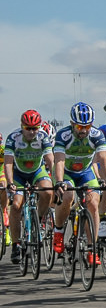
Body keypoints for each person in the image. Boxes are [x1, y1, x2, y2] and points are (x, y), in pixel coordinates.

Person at [52, 102, 106, 261]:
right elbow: (59, 161)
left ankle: (93, 248)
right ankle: (58, 232)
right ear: (72, 124)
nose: (84, 130)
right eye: (79, 127)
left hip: (86, 172)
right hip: (67, 172)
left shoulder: (97, 135)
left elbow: (103, 158)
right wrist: (59, 182)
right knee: (67, 197)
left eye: (87, 126)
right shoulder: (63, 135)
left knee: (93, 203)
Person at [4, 110, 56, 265]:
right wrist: (10, 183)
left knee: (47, 191)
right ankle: (16, 244)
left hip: (36, 171)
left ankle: (38, 221)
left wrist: (56, 182)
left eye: (35, 128)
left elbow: (50, 160)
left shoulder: (43, 137)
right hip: (19, 173)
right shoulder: (13, 138)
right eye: (28, 128)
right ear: (22, 127)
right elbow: (7, 163)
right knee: (16, 206)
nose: (32, 132)